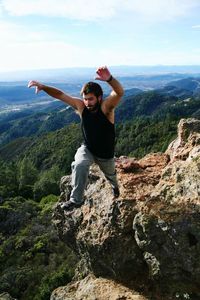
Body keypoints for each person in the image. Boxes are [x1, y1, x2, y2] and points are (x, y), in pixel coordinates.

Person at [28, 66, 124, 210]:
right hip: (88, 148)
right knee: (80, 164)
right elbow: (60, 94)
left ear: (99, 98)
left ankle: (115, 187)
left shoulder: (106, 108)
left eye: (90, 99)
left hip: (105, 153)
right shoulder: (81, 107)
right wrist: (43, 87)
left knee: (111, 176)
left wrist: (109, 79)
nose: (87, 102)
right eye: (85, 99)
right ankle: (76, 200)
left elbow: (119, 93)